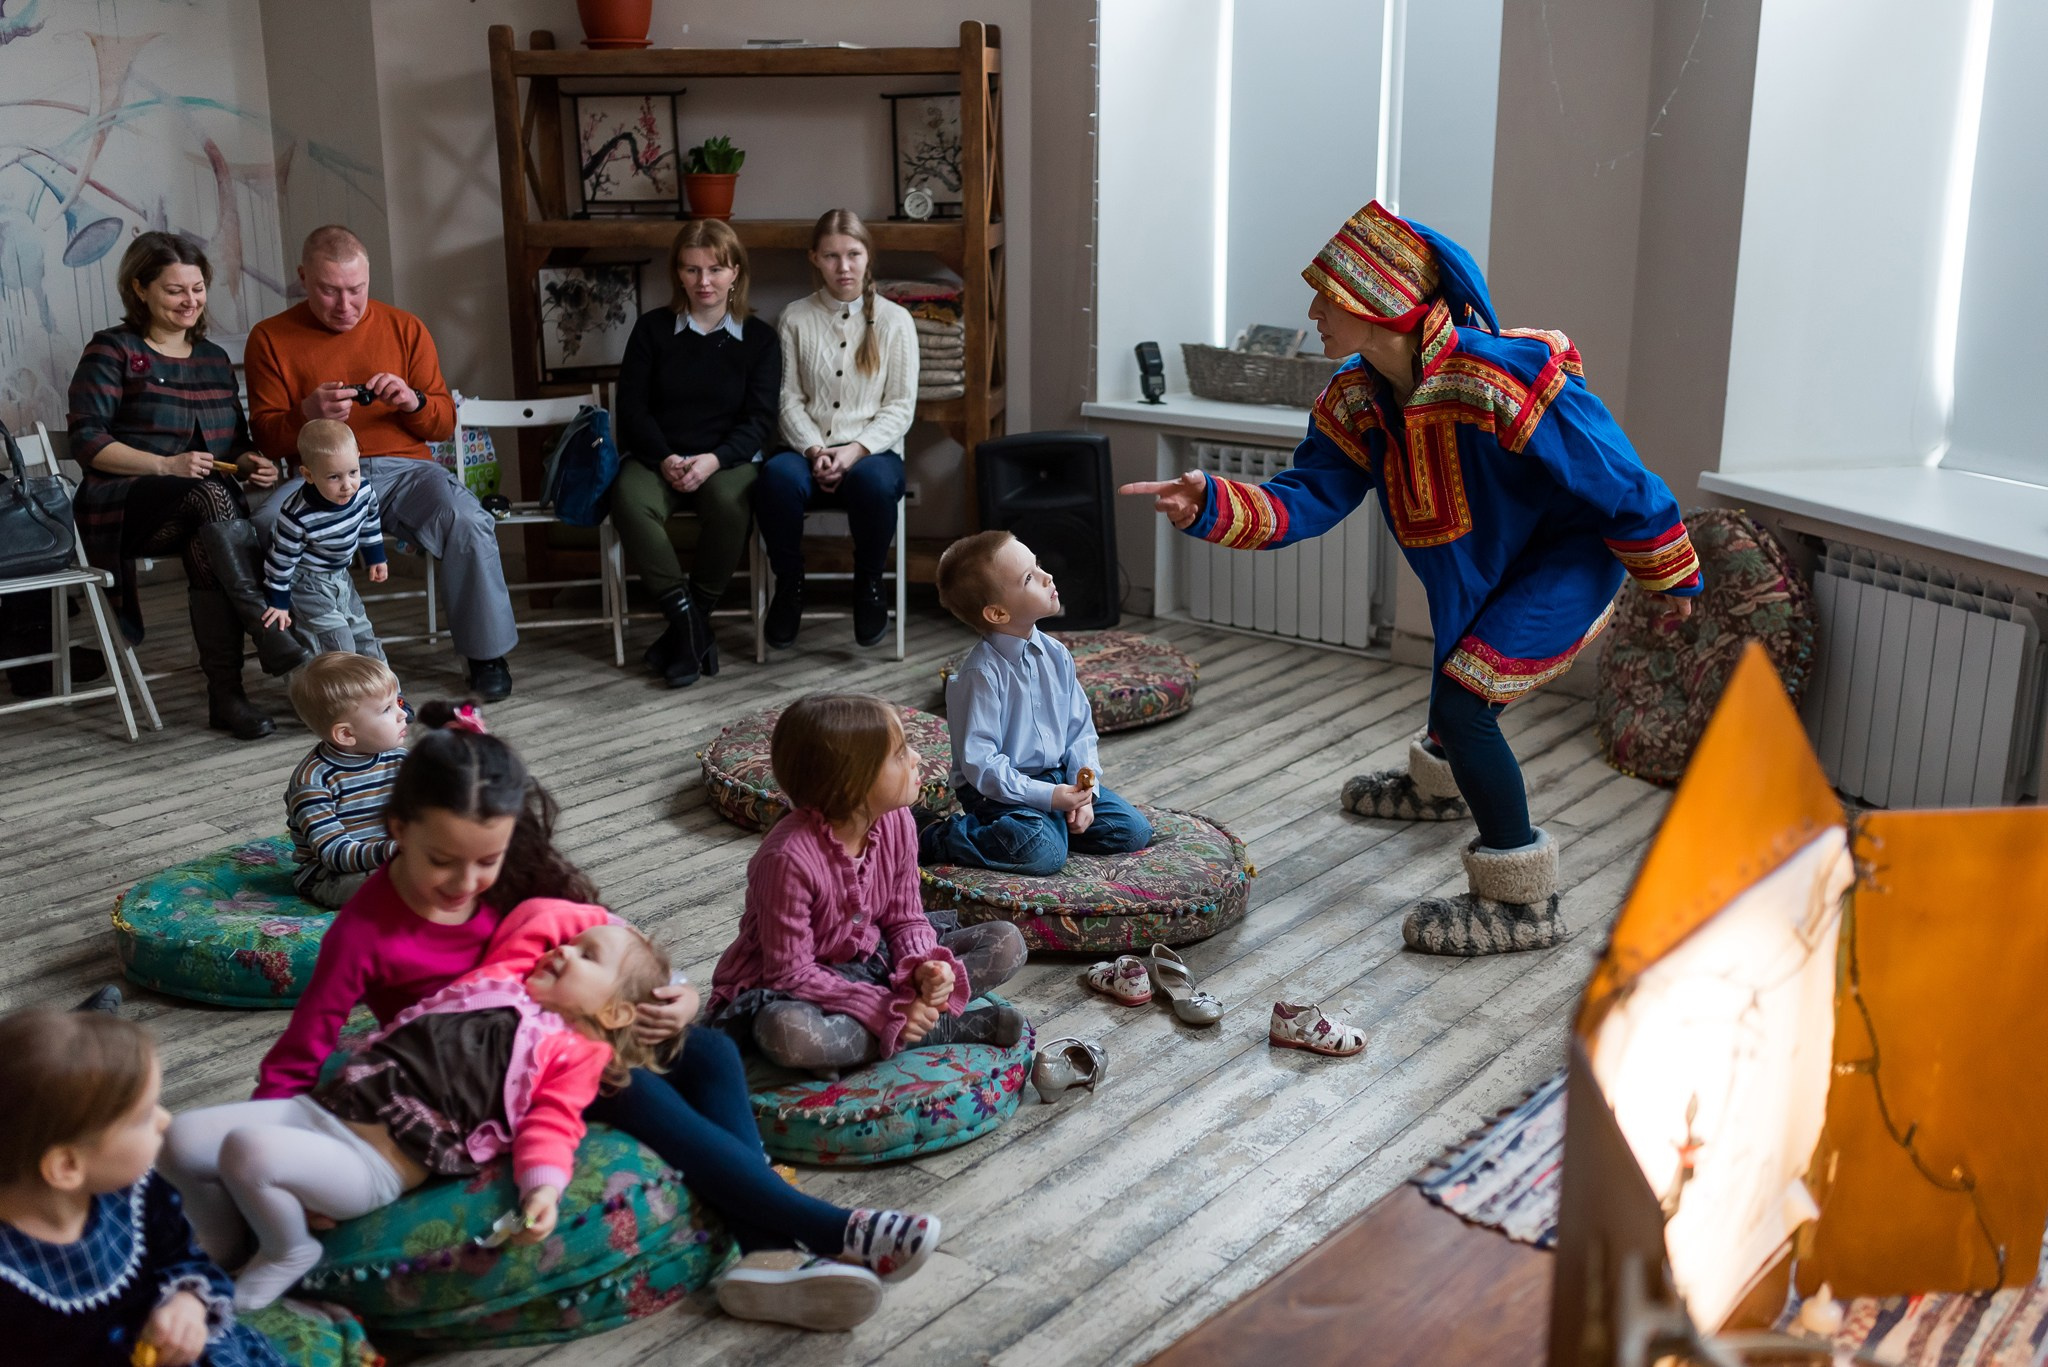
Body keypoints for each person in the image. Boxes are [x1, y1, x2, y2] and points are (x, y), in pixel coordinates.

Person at [163, 701, 936, 1331]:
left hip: (577, 1019)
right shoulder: (364, 931)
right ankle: (820, 1229)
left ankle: (765, 1252)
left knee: (709, 1054)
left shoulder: (516, 879)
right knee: (632, 1088)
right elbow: (301, 1054)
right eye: (443, 862)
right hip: (487, 1075)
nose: (465, 882)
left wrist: (678, 993)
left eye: (485, 861)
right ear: (397, 831)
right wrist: (280, 1149)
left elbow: (611, 937)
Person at [1123, 201, 1702, 957]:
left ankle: (1521, 897)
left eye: (1327, 297)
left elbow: (1617, 474)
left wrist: (1672, 582)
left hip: (1566, 555)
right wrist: (1214, 501)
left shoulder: (1501, 375)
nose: (1313, 313)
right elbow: (1308, 497)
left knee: (1466, 705)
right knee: (1453, 662)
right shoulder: (1355, 398)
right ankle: (1439, 789)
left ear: (1381, 302)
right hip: (1474, 561)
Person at [165, 898, 673, 1310]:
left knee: (248, 1151)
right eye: (569, 944)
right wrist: (613, 927)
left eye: (587, 956)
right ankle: (221, 1242)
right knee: (181, 1139)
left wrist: (542, 1192)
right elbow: (543, 915)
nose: (563, 949)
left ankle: (286, 1249)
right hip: (319, 1109)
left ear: (615, 1010)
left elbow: (553, 1125)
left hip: (371, 1162)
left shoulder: (578, 1052)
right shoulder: (506, 974)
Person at [244, 225, 517, 702]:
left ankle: (486, 654)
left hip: (405, 471)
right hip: (317, 477)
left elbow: (442, 422)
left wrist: (412, 402)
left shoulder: (405, 328)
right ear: (303, 277)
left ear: (369, 278)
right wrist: (306, 413)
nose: (345, 305)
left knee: (468, 519)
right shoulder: (270, 338)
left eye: (357, 290)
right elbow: (266, 435)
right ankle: (305, 657)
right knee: (266, 522)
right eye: (329, 291)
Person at [68, 231, 311, 742]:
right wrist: (165, 466)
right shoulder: (113, 349)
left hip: (201, 512)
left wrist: (251, 463)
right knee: (211, 500)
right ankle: (268, 632)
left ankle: (227, 697)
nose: (190, 301)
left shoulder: (212, 359)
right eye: (175, 290)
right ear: (140, 289)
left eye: (197, 288)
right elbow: (88, 442)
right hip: (123, 506)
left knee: (210, 536)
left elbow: (235, 443)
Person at [707, 693, 1030, 1069]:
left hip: (876, 957)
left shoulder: (898, 820)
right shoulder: (786, 859)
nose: (917, 758)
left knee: (1007, 941)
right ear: (851, 784)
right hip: (799, 986)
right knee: (788, 1034)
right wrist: (887, 1010)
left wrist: (925, 967)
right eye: (899, 754)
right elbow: (791, 974)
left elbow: (905, 918)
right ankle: (936, 1030)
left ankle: (899, 1028)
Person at [0, 1009, 284, 1366]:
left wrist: (189, 1303)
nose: (166, 1121)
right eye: (144, 1117)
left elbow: (182, 1259)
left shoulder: (134, 1193)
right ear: (68, 1166)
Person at [917, 531, 1154, 875]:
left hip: (1056, 778)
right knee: (1043, 855)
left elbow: (1079, 731)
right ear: (997, 613)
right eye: (1030, 577)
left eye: (1038, 565)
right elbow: (982, 768)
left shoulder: (1057, 655)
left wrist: (1083, 792)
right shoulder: (979, 676)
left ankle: (1049, 826)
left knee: (1134, 831)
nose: (1048, 576)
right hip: (996, 792)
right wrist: (1050, 798)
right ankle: (932, 835)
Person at [609, 220, 781, 689]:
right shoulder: (652, 330)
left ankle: (689, 624)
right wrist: (665, 457)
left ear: (735, 272)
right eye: (692, 269)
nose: (704, 281)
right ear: (678, 274)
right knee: (627, 499)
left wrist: (713, 459)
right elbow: (633, 409)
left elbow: (759, 421)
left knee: (730, 504)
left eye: (715, 269)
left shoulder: (760, 340)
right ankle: (689, 624)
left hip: (727, 462)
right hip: (656, 459)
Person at [756, 210, 918, 649]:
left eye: (853, 255)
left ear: (868, 257)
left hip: (872, 455)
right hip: (806, 450)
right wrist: (814, 450)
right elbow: (787, 399)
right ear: (814, 258)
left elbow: (901, 407)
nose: (843, 267)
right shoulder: (794, 318)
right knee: (774, 479)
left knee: (873, 484)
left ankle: (868, 584)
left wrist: (853, 452)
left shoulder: (895, 322)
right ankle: (789, 586)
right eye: (831, 256)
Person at [283, 653, 408, 908]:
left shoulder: (399, 759)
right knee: (406, 886)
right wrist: (392, 851)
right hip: (332, 877)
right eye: (387, 709)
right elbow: (334, 854)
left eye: (399, 702)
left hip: (396, 856)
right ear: (346, 733)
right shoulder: (313, 782)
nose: (402, 713)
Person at [259, 420, 387, 661]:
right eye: (334, 477)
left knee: (365, 638)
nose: (347, 485)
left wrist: (375, 557)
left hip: (341, 577)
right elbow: (281, 561)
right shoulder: (296, 515)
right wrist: (278, 602)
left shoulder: (364, 493)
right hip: (308, 584)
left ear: (358, 458)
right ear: (308, 474)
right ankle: (345, 698)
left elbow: (370, 522)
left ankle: (393, 698)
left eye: (353, 472)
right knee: (340, 645)